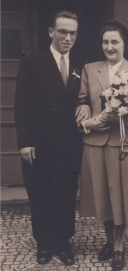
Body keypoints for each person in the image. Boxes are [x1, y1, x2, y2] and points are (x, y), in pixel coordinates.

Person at [15, 10, 90, 265]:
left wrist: (88, 106)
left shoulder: (82, 64)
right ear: (51, 32)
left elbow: (89, 96)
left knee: (67, 192)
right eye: (63, 32)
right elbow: (21, 104)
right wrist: (25, 141)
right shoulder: (32, 62)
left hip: (70, 142)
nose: (68, 37)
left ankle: (63, 241)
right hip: (39, 141)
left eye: (73, 33)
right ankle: (44, 243)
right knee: (40, 192)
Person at [76, 20, 128, 270]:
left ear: (125, 44)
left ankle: (118, 245)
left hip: (126, 143)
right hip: (96, 143)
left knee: (123, 196)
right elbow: (82, 99)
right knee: (103, 196)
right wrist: (85, 110)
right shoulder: (90, 69)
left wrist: (99, 119)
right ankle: (109, 239)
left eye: (115, 42)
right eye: (106, 42)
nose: (109, 46)